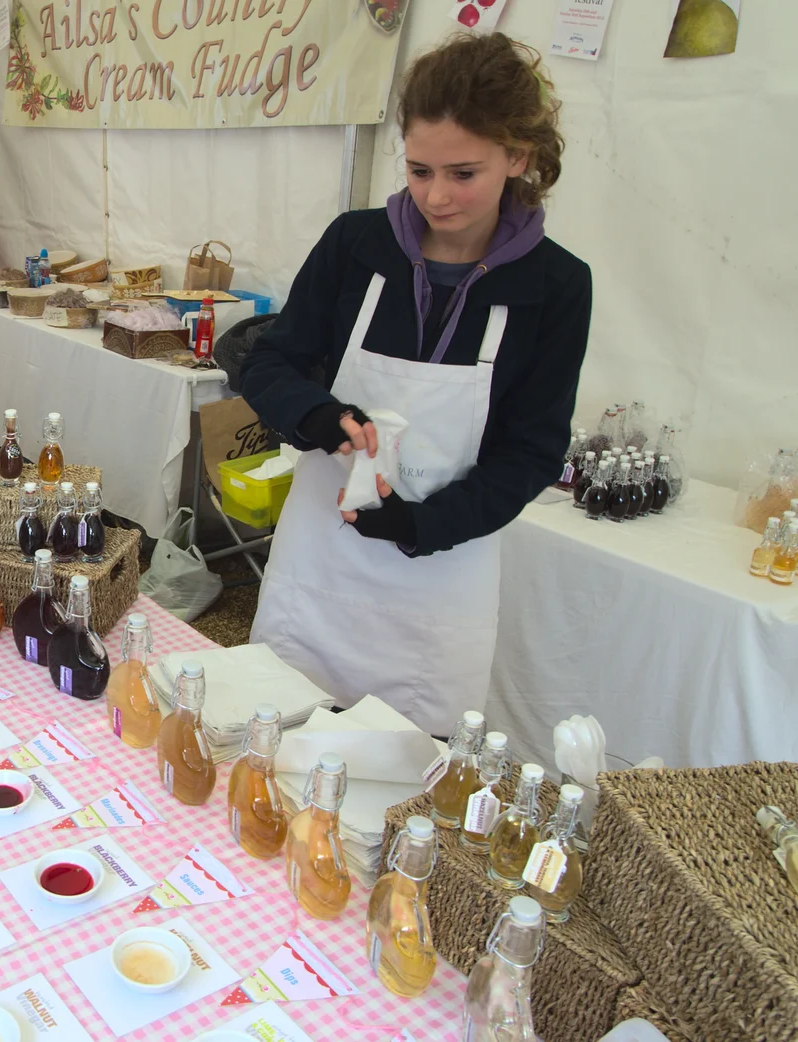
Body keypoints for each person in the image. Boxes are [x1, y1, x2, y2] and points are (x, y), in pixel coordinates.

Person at [240, 33, 592, 737]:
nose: (436, 195)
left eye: (464, 173)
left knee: (405, 784)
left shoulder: (555, 286)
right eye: (420, 169)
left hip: (442, 575)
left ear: (518, 158)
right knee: (280, 744)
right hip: (322, 558)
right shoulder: (355, 244)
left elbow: (531, 452)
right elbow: (267, 360)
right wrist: (317, 417)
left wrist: (420, 524)